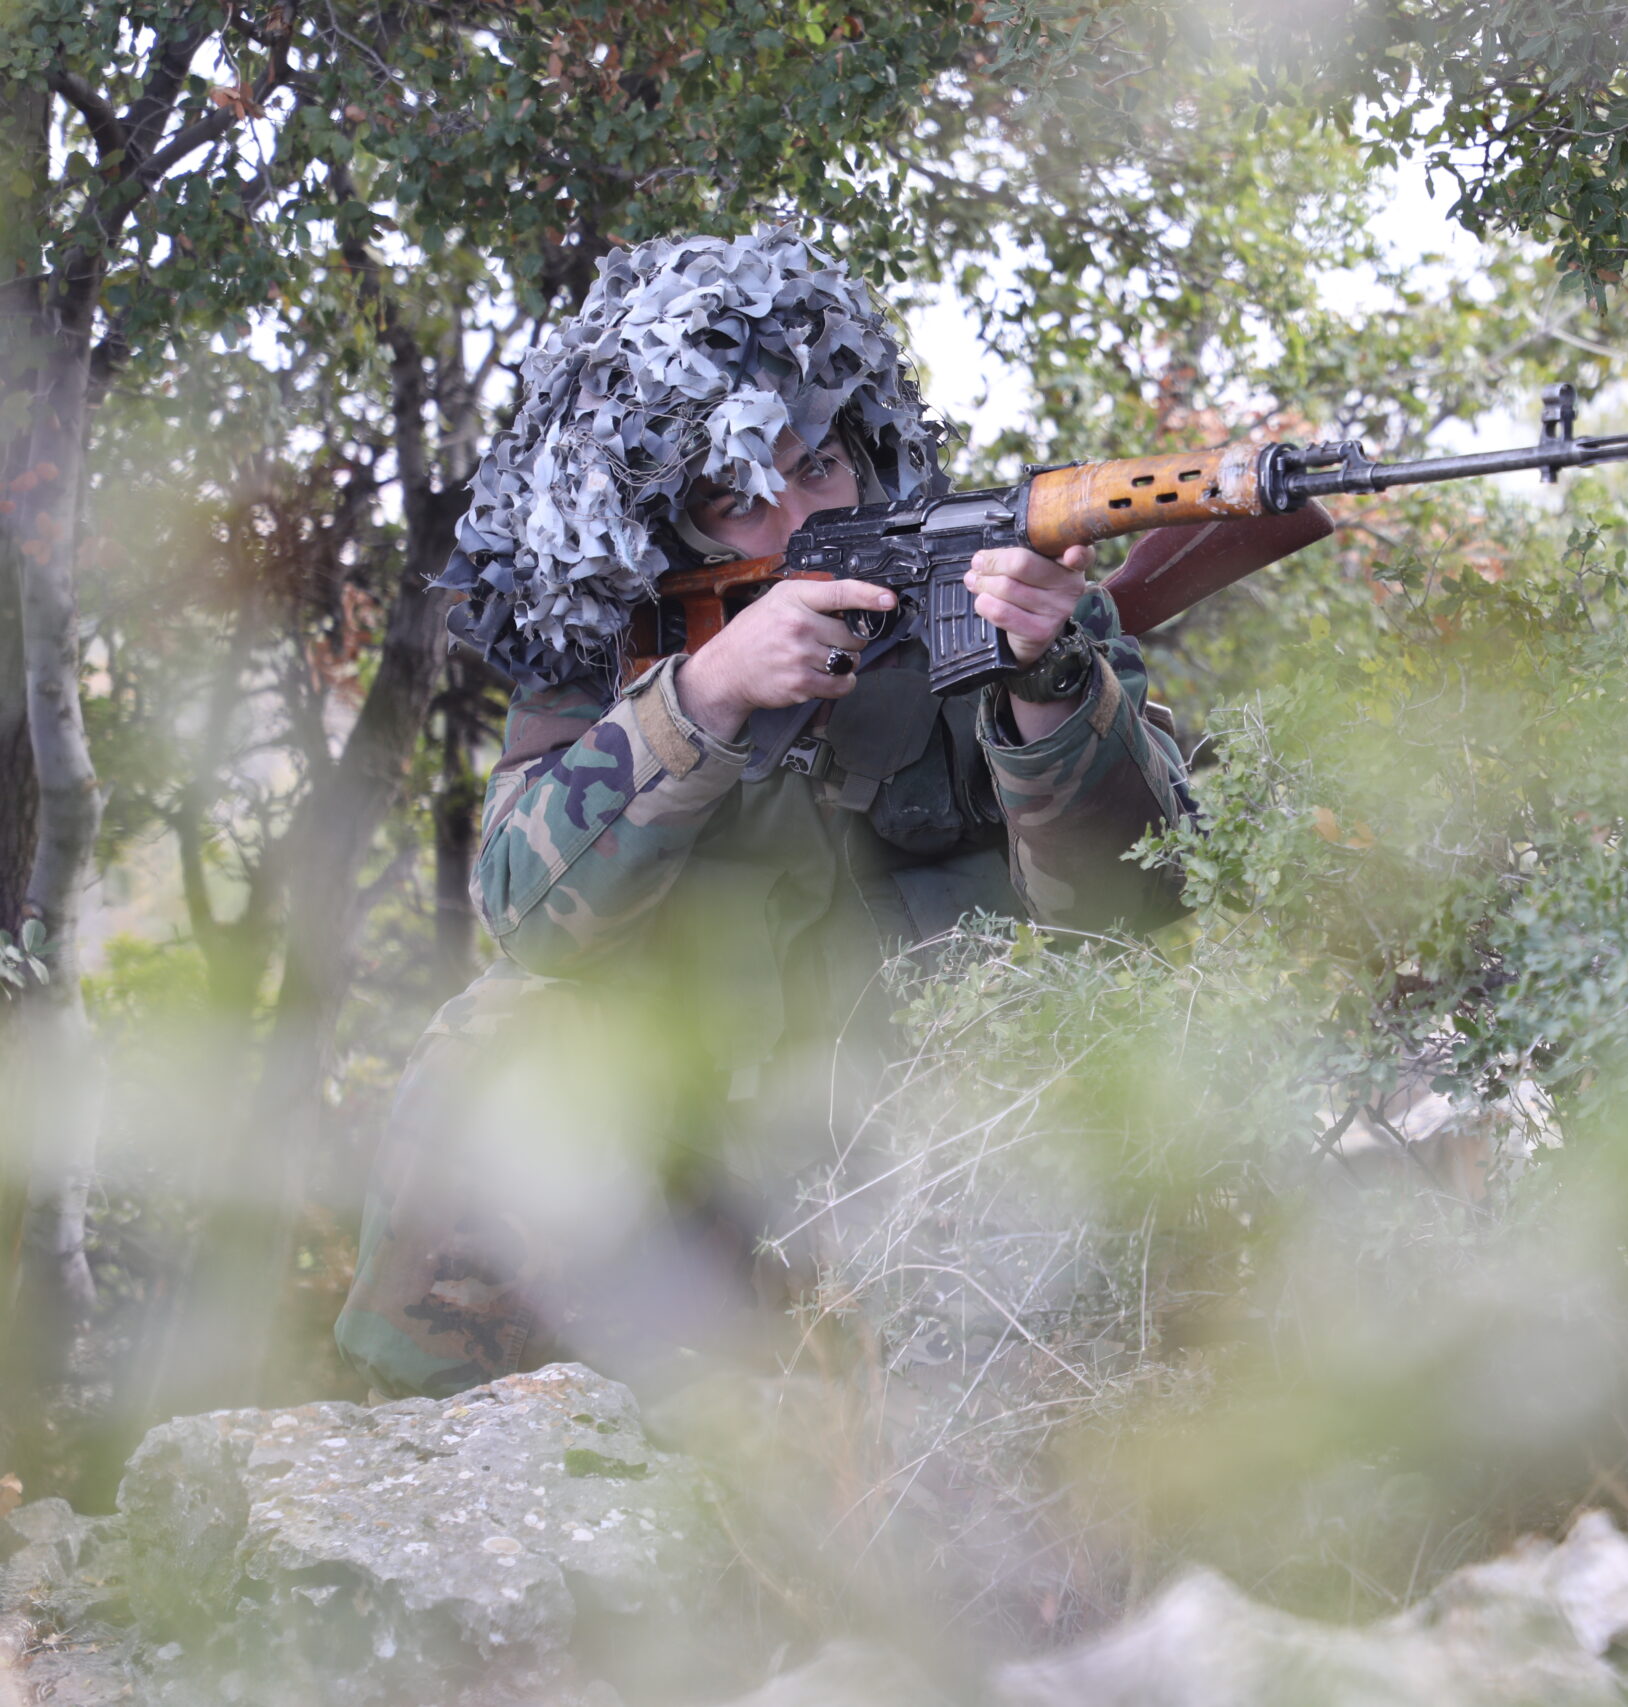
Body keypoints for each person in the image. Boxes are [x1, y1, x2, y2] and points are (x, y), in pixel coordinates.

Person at [333, 229, 1251, 1399]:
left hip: (947, 1140)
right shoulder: (615, 643)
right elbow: (527, 914)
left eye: (819, 465)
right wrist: (704, 697)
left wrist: (1049, 677)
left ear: (869, 452)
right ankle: (430, 1430)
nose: (797, 516)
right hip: (697, 1159)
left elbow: (1138, 901)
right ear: (669, 525)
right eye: (739, 497)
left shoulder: (998, 595)